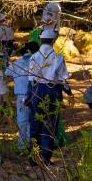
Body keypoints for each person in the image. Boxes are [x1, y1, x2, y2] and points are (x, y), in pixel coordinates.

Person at [28, 27, 71, 165]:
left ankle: (33, 157)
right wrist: (69, 93)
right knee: (49, 124)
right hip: (52, 91)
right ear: (53, 41)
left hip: (36, 90)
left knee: (35, 124)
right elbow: (63, 79)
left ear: (41, 40)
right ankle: (45, 157)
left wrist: (28, 96)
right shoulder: (58, 57)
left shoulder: (34, 57)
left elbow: (30, 79)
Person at [6, 42, 38, 149]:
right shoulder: (37, 62)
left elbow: (7, 73)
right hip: (35, 95)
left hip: (21, 96)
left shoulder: (16, 63)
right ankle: (32, 145)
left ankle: (23, 145)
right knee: (33, 120)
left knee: (22, 121)